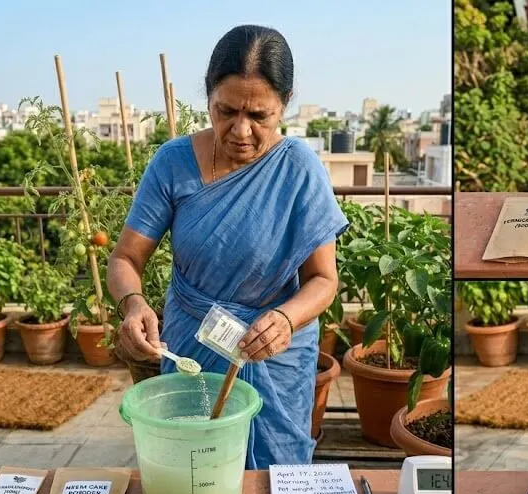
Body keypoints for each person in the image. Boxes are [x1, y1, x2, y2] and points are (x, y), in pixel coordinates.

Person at [108, 25, 349, 469]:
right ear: (208, 97)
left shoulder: (299, 170)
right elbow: (125, 257)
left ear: (285, 103)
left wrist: (284, 317)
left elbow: (323, 280)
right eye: (226, 111)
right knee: (193, 468)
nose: (241, 130)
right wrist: (133, 303)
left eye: (260, 116)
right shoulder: (173, 164)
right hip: (193, 344)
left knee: (277, 480)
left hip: (275, 351)